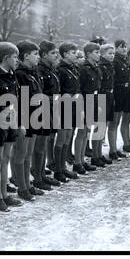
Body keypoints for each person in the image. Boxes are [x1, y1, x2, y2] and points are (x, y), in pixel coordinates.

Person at [0, 42, 23, 211]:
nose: (17, 60)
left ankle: (5, 194)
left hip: (10, 120)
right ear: (6, 58)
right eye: (15, 57)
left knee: (6, 158)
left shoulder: (11, 74)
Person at [13, 40, 46, 200]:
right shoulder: (20, 74)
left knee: (28, 153)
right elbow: (22, 100)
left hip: (34, 115)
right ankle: (22, 187)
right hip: (25, 116)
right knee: (21, 154)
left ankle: (28, 184)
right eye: (35, 54)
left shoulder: (32, 72)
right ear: (26, 56)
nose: (38, 57)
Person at [31, 40, 62, 188]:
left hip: (50, 108)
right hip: (41, 109)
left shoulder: (50, 69)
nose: (57, 55)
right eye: (53, 53)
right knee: (39, 146)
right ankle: (37, 176)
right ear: (44, 55)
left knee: (43, 144)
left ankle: (41, 173)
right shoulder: (40, 70)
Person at [55, 42, 81, 180]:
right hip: (64, 106)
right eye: (73, 52)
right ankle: (58, 169)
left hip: (73, 106)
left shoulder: (73, 68)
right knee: (61, 139)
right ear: (65, 54)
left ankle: (63, 167)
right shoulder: (61, 69)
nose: (76, 54)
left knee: (67, 138)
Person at [73, 42, 100, 173]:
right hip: (84, 100)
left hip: (93, 99)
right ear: (88, 54)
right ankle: (77, 162)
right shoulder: (83, 68)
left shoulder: (95, 67)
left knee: (87, 132)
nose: (99, 55)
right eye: (96, 52)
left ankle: (82, 160)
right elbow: (80, 87)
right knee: (82, 132)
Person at [111, 40, 130, 156]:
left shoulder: (124, 62)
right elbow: (117, 81)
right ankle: (113, 149)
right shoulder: (116, 62)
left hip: (127, 94)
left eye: (125, 47)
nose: (124, 49)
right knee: (114, 123)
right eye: (121, 47)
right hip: (118, 95)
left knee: (124, 121)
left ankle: (127, 143)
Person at [97, 44, 115, 164]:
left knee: (105, 126)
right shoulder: (101, 66)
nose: (112, 56)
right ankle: (96, 155)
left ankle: (99, 154)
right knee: (100, 127)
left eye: (113, 53)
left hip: (109, 95)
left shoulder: (109, 66)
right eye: (109, 53)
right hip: (101, 96)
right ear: (102, 54)